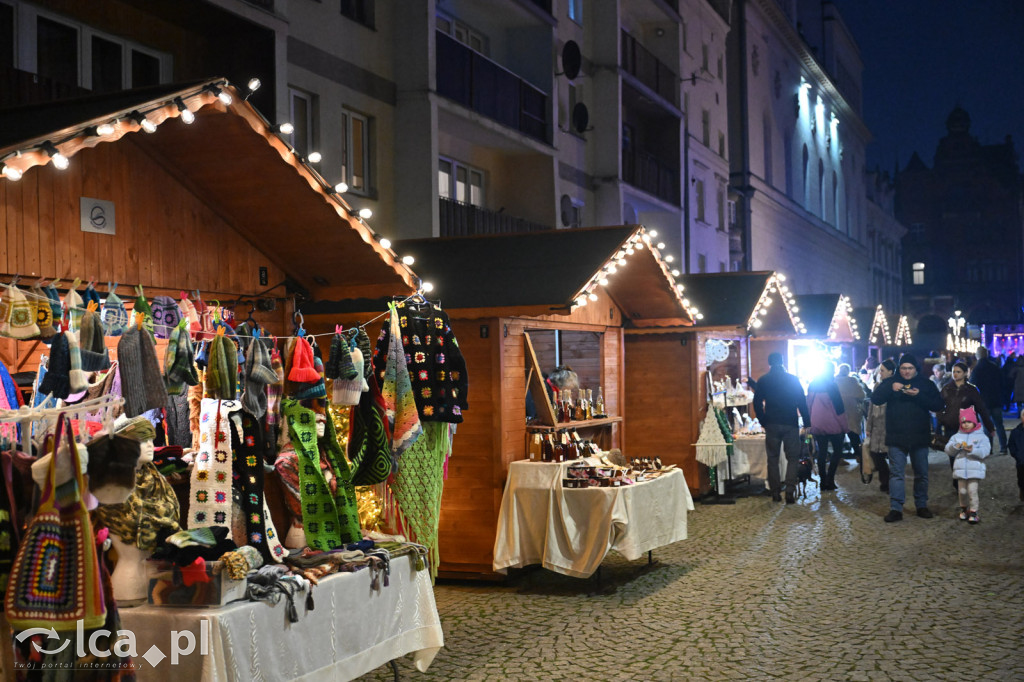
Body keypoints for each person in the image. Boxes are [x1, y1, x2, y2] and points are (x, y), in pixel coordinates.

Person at [871, 353, 945, 522]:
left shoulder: (926, 384)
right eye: (903, 368)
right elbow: (875, 399)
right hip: (896, 436)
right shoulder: (891, 382)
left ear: (915, 369)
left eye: (910, 368)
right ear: (899, 369)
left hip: (919, 436)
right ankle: (896, 508)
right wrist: (890, 387)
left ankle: (921, 505)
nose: (906, 371)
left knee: (922, 473)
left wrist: (918, 395)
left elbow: (938, 405)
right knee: (897, 474)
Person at [752, 352, 810, 504]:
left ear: (769, 363)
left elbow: (756, 402)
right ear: (782, 361)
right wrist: (807, 421)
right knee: (793, 458)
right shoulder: (792, 379)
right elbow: (801, 401)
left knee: (773, 459)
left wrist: (763, 420)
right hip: (790, 422)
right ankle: (789, 491)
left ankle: (775, 492)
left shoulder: (764, 380)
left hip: (771, 422)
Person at [944, 406, 991, 524]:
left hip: (974, 469)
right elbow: (948, 450)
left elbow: (985, 451)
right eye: (963, 422)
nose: (966, 424)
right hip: (960, 470)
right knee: (962, 491)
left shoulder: (982, 437)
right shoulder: (956, 436)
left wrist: (973, 450)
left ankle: (974, 511)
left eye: (969, 421)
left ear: (974, 422)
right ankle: (964, 509)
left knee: (972, 490)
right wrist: (955, 447)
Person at [807, 361, 847, 491]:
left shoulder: (812, 384)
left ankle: (823, 482)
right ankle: (830, 479)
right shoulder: (832, 386)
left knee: (822, 452)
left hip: (817, 424)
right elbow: (839, 409)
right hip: (833, 424)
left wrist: (809, 422)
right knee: (837, 451)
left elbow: (808, 405)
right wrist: (844, 426)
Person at [938, 361, 994, 452]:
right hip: (951, 426)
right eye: (953, 372)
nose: (955, 374)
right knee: (953, 454)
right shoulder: (946, 389)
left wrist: (989, 426)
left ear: (965, 373)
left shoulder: (971, 390)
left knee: (966, 453)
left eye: (958, 372)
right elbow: (939, 405)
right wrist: (942, 419)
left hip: (967, 426)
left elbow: (981, 408)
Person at [970, 346, 1008, 455]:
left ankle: (989, 448)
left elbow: (972, 386)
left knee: (987, 426)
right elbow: (1002, 383)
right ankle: (1003, 447)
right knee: (999, 425)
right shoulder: (995, 367)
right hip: (996, 400)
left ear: (977, 356)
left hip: (984, 402)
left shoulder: (976, 369)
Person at [864, 359, 895, 492]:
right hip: (877, 426)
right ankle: (885, 479)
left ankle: (888, 483)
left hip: (889, 426)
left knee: (889, 455)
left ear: (890, 372)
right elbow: (871, 406)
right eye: (879, 370)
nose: (880, 373)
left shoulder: (895, 387)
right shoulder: (877, 386)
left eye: (882, 371)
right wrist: (869, 426)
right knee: (876, 454)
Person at [835, 363, 869, 461]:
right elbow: (861, 395)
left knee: (839, 435)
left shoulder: (834, 381)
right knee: (853, 433)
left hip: (837, 411)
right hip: (852, 411)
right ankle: (858, 456)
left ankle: (839, 457)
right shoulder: (852, 381)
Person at [1007, 411, 1024, 501]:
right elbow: (1011, 445)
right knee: (1021, 478)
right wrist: (1017, 455)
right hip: (1021, 461)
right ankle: (1022, 489)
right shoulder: (1015, 432)